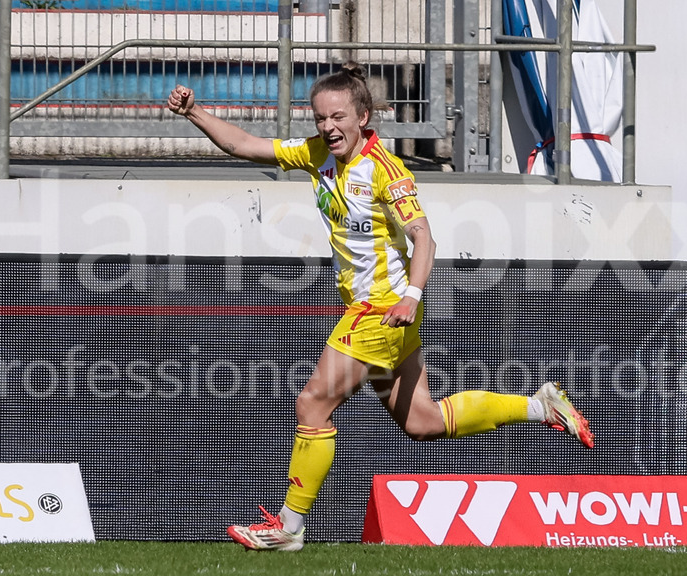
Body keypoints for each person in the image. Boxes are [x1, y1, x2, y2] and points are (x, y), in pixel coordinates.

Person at [166, 62, 593, 552]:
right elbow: (246, 145)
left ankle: (288, 526)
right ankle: (542, 406)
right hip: (383, 312)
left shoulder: (387, 171)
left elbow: (424, 237)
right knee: (423, 422)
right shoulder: (315, 155)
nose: (327, 127)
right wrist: (194, 111)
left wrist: (411, 297)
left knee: (312, 403)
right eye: (320, 117)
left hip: (383, 309)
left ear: (364, 116)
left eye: (338, 117)